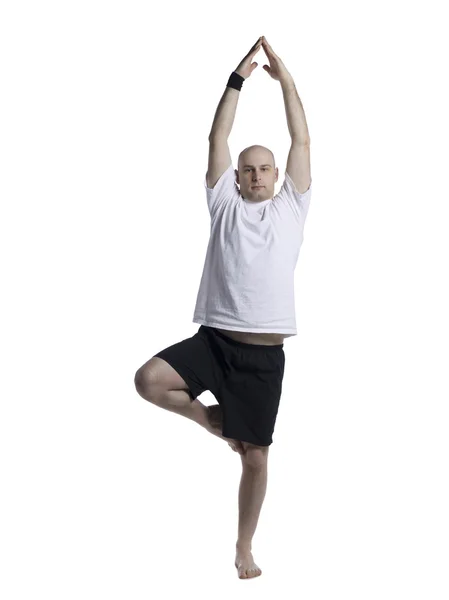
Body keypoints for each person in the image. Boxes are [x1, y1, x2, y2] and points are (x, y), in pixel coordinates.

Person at [134, 36, 312, 579]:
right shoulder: (223, 205)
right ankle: (211, 420)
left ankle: (243, 547)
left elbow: (301, 138)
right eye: (248, 169)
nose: (257, 175)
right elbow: (218, 135)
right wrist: (235, 79)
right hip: (213, 341)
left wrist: (286, 81)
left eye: (265, 169)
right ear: (235, 178)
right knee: (148, 380)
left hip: (263, 359)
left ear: (278, 178)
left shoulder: (292, 208)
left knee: (255, 457)